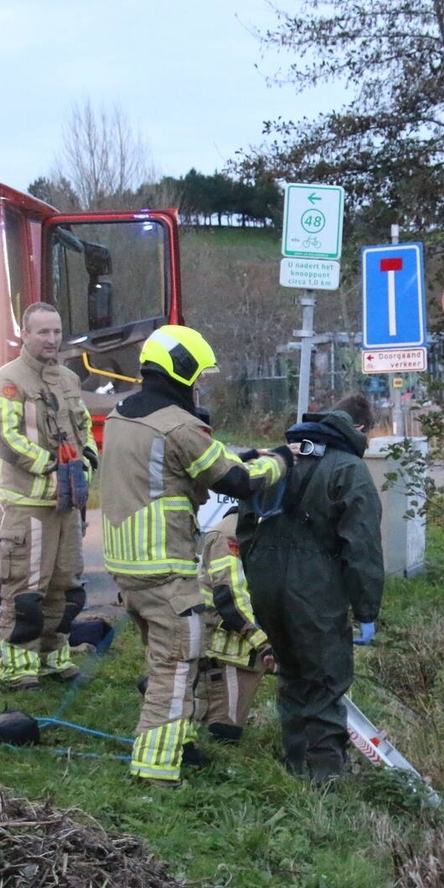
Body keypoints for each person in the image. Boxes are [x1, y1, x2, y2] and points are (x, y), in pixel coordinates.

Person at [100, 325, 288, 786]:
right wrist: (280, 460)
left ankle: (179, 743)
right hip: (165, 566)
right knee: (177, 666)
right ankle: (155, 770)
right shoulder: (179, 425)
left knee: (165, 657)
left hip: (128, 565)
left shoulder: (122, 416)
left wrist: (240, 454)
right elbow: (236, 481)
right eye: (197, 374)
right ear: (181, 369)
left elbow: (183, 464)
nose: (199, 383)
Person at [240, 394, 383, 785]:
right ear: (358, 429)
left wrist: (257, 577)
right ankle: (325, 775)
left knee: (291, 674)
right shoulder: (349, 469)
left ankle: (295, 762)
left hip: (267, 582)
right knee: (324, 679)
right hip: (315, 587)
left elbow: (245, 523)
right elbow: (362, 546)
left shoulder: (280, 457)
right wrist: (366, 609)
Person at [0, 302, 95, 691]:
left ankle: (53, 657)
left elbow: (83, 428)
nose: (52, 339)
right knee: (26, 590)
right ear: (25, 335)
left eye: (56, 331)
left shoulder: (68, 379)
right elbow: (3, 435)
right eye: (43, 332)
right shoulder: (7, 380)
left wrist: (87, 462)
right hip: (28, 504)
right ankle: (18, 666)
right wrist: (50, 466)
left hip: (67, 504)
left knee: (65, 586)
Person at [193, 511, 277, 745]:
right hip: (227, 648)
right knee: (222, 732)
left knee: (228, 730)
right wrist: (263, 642)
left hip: (246, 648)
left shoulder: (264, 528)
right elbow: (230, 598)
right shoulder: (227, 535)